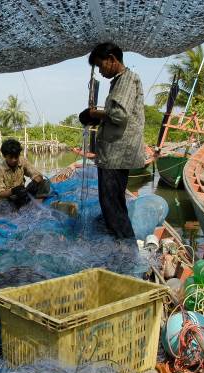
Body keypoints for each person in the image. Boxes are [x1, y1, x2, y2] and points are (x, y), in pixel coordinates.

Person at [78, 42, 145, 239]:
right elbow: (116, 118)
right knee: (113, 200)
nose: (100, 70)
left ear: (112, 59)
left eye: (101, 65)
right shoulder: (120, 81)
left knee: (111, 202)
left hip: (117, 153)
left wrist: (93, 113)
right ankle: (119, 237)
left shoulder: (126, 79)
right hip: (114, 153)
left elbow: (119, 115)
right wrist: (98, 118)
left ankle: (124, 243)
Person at [0, 139, 50, 214]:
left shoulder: (22, 161)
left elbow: (38, 175)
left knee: (44, 183)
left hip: (23, 194)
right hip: (8, 198)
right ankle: (13, 212)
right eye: (11, 157)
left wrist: (35, 182)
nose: (14, 160)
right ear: (4, 156)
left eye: (16, 157)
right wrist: (13, 191)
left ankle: (36, 205)